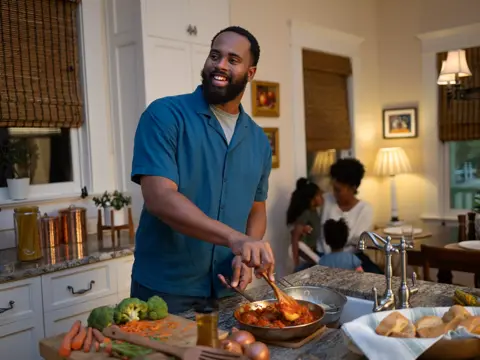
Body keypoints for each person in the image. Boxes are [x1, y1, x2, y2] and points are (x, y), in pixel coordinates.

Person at [130, 26, 275, 314]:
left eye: (233, 60)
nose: (220, 65)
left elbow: (257, 208)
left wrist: (247, 253)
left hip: (227, 289)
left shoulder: (259, 140)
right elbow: (160, 198)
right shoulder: (164, 115)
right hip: (165, 290)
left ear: (250, 72)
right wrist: (235, 239)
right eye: (214, 55)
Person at [318, 158, 382, 274]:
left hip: (352, 258)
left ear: (353, 188)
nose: (334, 193)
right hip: (322, 257)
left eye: (338, 190)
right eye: (334, 188)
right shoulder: (326, 200)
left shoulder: (365, 209)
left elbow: (355, 242)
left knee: (375, 277)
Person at [286, 178, 323, 272]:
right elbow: (295, 237)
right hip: (300, 248)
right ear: (312, 198)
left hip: (310, 249)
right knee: (321, 264)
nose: (322, 197)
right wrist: (296, 262)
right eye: (319, 195)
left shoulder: (314, 211)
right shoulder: (306, 213)